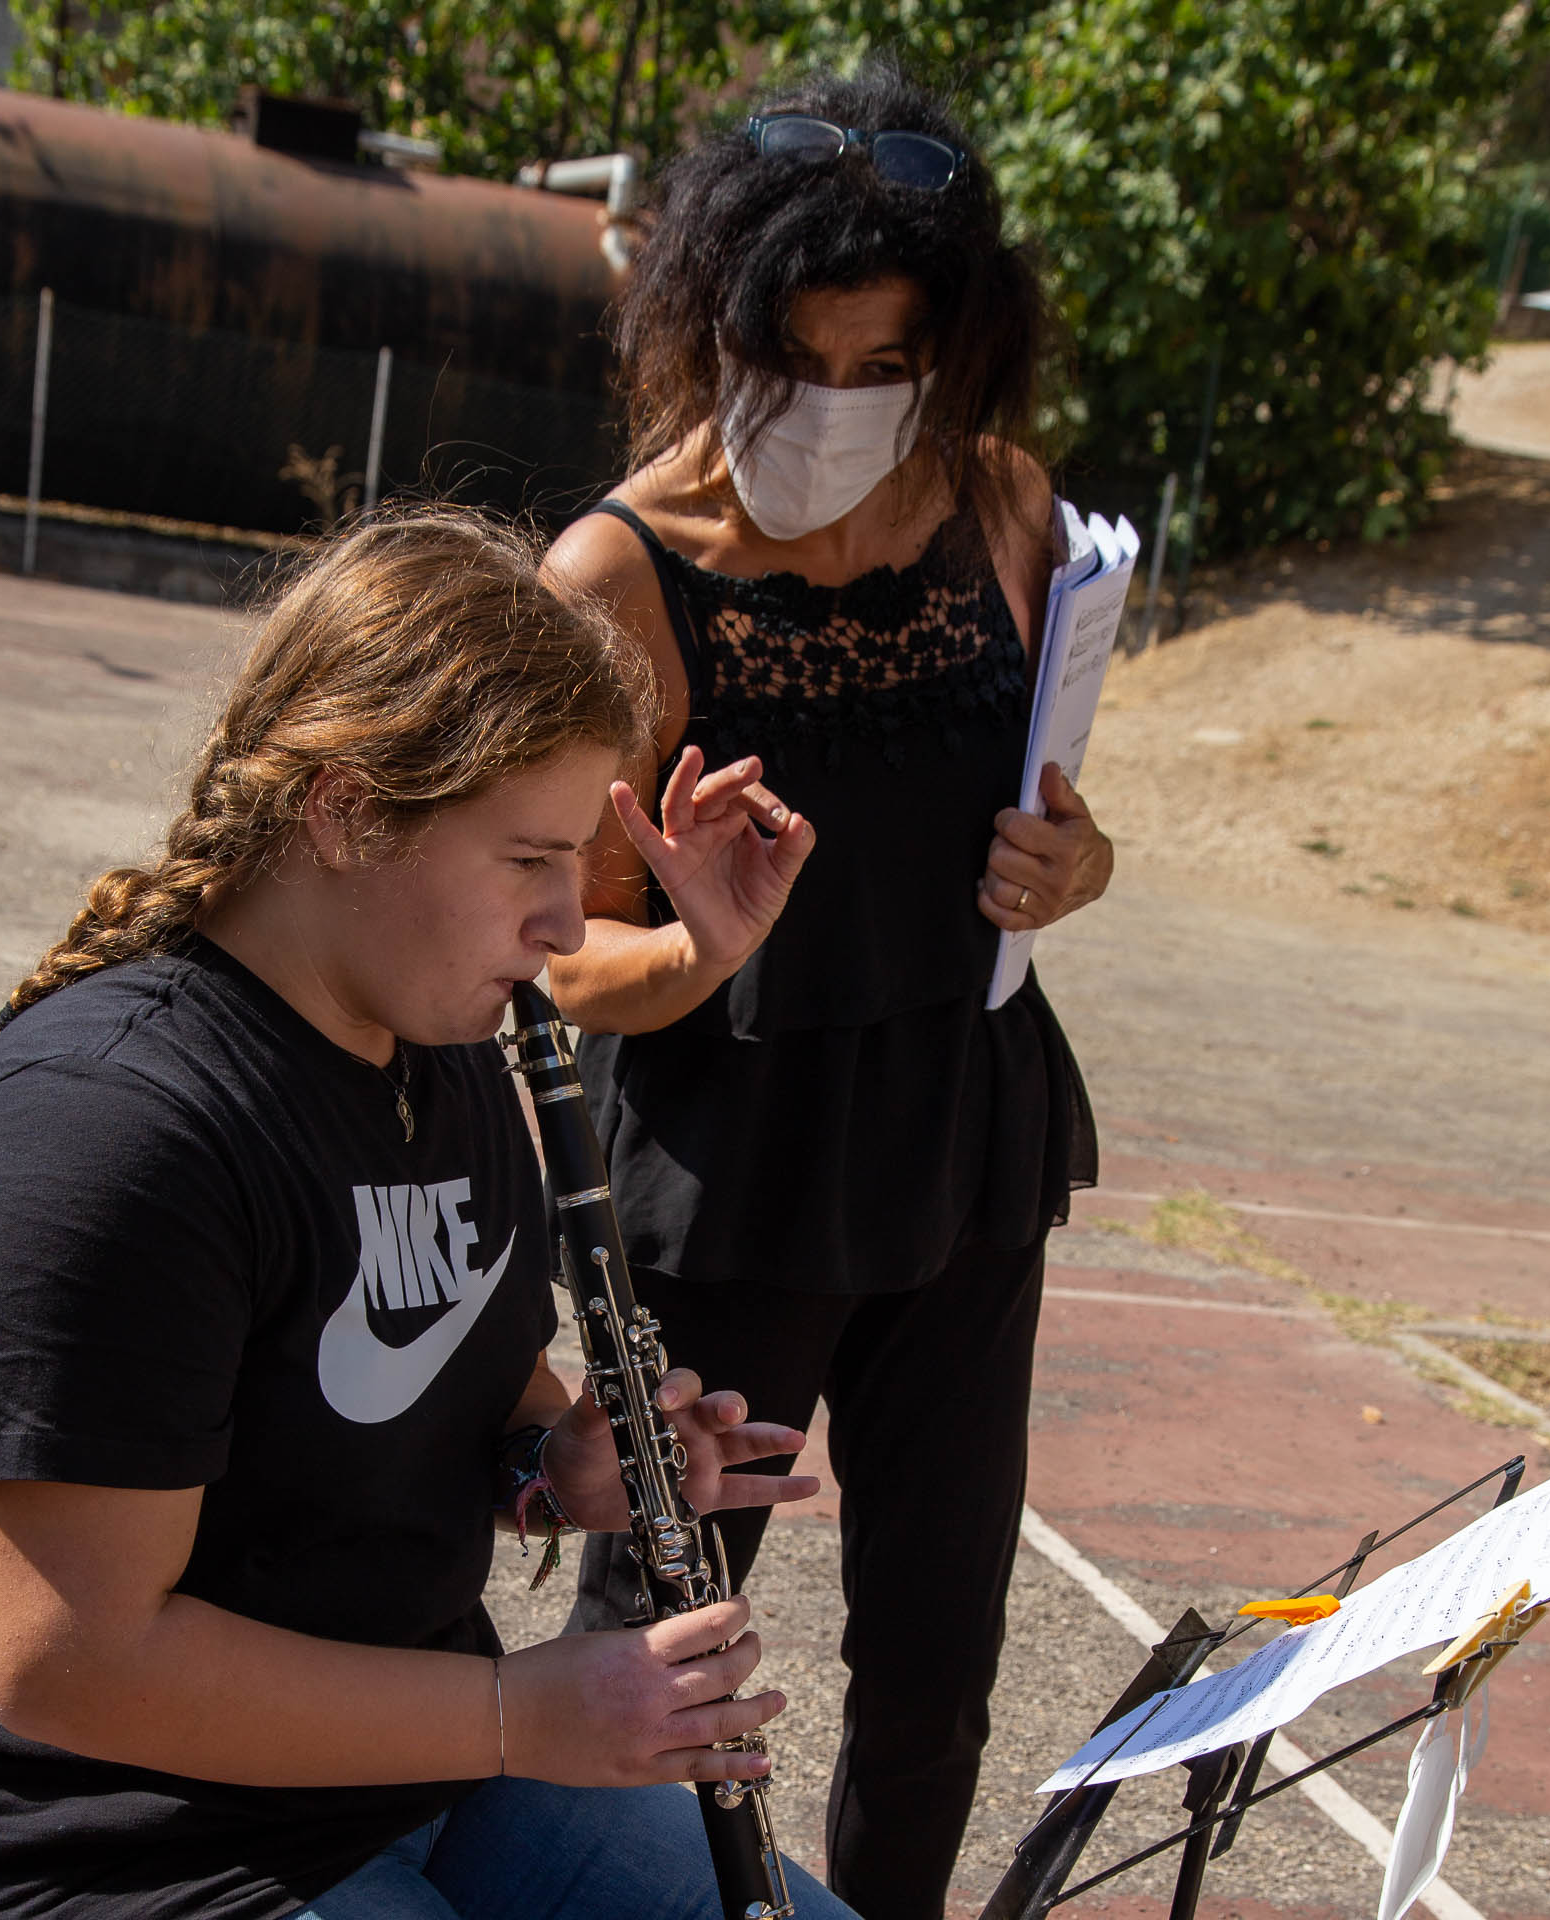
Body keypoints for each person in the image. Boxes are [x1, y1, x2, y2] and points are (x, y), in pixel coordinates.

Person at [0, 509, 858, 1920]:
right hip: (107, 1851)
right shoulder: (106, 1137)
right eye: (528, 859)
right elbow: (70, 1662)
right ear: (344, 811)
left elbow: (466, 1380)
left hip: (409, 1780)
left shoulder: (435, 1053)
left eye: (576, 861)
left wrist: (556, 1466)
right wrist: (519, 1714)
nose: (569, 925)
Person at [542, 61, 1113, 1920]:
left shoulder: (1006, 507)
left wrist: (1079, 863)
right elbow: (558, 949)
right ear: (711, 326)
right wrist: (696, 947)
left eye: (892, 366)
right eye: (800, 359)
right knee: (663, 1643)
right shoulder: (618, 572)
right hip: (735, 1168)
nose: (845, 402)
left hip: (967, 1138)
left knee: (938, 1656)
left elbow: (1050, 812)